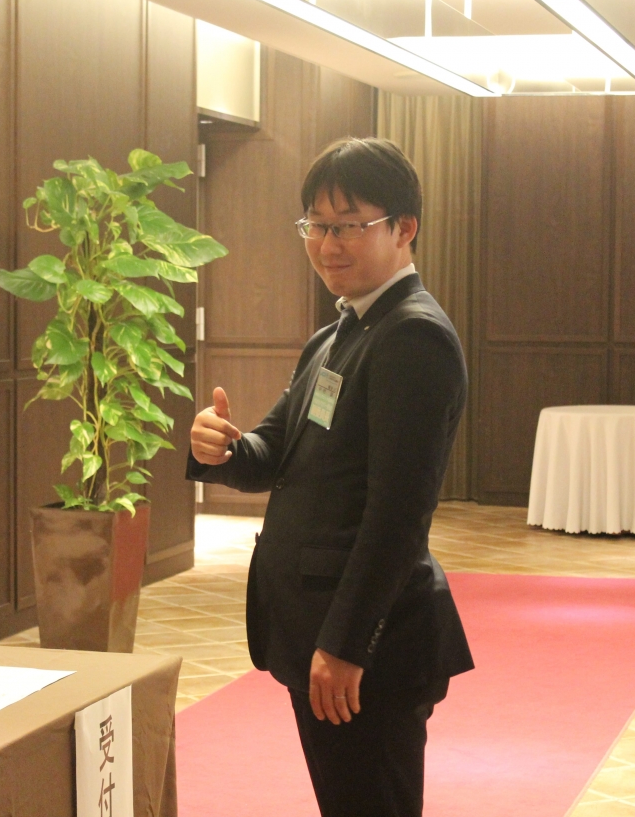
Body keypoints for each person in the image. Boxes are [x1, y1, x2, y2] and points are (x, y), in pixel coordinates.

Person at [187, 137, 473, 817]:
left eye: (348, 225)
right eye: (315, 225)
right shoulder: (340, 333)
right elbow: (276, 450)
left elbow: (397, 514)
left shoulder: (412, 337)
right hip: (317, 627)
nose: (326, 244)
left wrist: (347, 644)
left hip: (368, 644)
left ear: (404, 228)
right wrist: (221, 448)